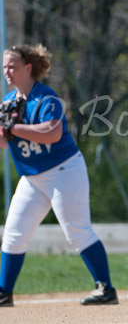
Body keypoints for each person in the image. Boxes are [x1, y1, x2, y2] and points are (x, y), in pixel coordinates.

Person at [0, 44, 117, 307]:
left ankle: (106, 289)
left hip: (64, 171)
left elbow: (52, 133)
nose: (7, 71)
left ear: (28, 68)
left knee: (77, 232)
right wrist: (4, 129)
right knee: (14, 234)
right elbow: (4, 142)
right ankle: (4, 293)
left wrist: (14, 127)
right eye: (4, 66)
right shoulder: (8, 102)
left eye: (12, 66)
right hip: (32, 178)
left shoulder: (46, 98)